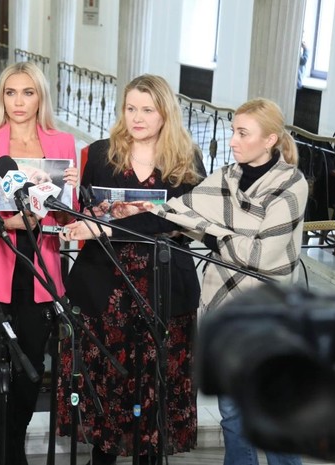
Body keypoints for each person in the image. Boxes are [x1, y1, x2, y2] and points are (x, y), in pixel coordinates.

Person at [64, 97, 309, 465]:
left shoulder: (291, 184)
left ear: (270, 139)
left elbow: (261, 256)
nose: (232, 140)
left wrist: (207, 231)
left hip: (267, 310)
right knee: (232, 415)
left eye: (242, 133)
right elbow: (173, 213)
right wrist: (111, 221)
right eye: (233, 131)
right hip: (224, 306)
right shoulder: (227, 176)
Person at [55, 74, 204, 465]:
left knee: (155, 388)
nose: (137, 118)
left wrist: (109, 226)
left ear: (165, 113)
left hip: (162, 288)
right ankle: (102, 455)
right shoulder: (100, 153)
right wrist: (79, 208)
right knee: (107, 386)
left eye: (147, 110)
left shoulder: (186, 158)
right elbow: (87, 210)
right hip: (105, 288)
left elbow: (185, 220)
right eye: (131, 108)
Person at [0, 61, 79, 465]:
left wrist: (70, 193)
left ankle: (13, 441)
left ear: (40, 96)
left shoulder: (62, 143)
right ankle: (10, 452)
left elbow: (67, 216)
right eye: (11, 92)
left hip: (42, 269)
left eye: (27, 92)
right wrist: (6, 222)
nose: (18, 101)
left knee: (31, 368)